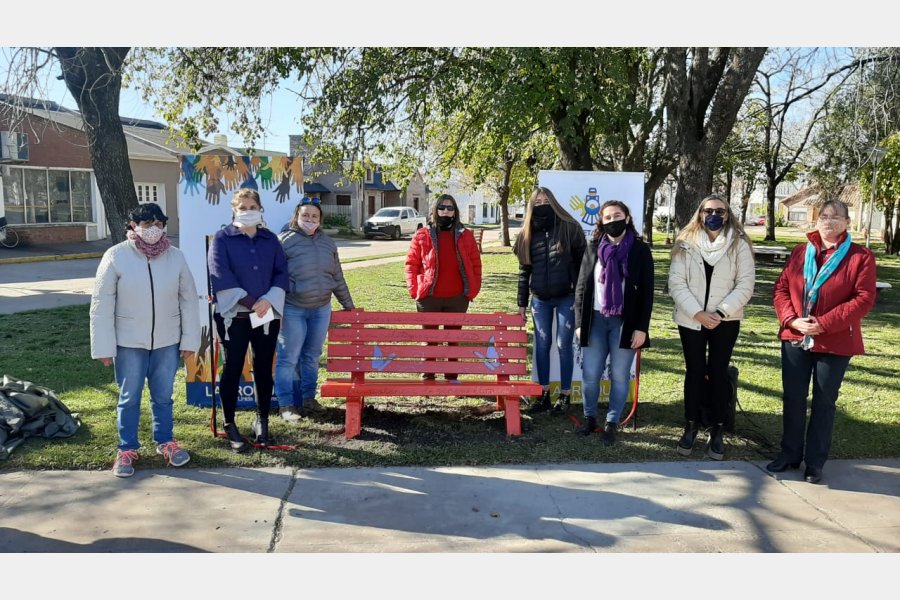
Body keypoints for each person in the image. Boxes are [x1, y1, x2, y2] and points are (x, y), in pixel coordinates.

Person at [768, 200, 876, 484]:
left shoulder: (860, 256)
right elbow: (780, 289)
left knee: (824, 402)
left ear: (847, 223)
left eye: (836, 217)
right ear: (816, 221)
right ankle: (789, 454)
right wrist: (792, 320)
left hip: (835, 341)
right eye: (824, 216)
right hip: (795, 335)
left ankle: (814, 463)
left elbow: (863, 299)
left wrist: (823, 324)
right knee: (793, 398)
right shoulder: (801, 251)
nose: (829, 221)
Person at [90, 203, 200, 478]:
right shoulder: (115, 256)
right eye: (146, 224)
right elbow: (101, 304)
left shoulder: (176, 257)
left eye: (158, 224)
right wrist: (103, 346)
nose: (153, 229)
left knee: (163, 396)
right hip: (129, 342)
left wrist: (189, 340)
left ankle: (166, 442)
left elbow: (189, 300)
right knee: (129, 397)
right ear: (133, 226)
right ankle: (126, 449)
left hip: (167, 340)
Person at [668, 194, 755, 461]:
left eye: (720, 210)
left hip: (724, 321)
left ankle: (717, 428)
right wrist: (697, 313)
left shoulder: (739, 243)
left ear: (728, 214)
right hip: (691, 319)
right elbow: (676, 283)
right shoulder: (685, 242)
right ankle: (691, 424)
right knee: (694, 371)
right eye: (708, 210)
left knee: (718, 372)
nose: (713, 215)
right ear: (700, 213)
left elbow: (746, 284)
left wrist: (718, 313)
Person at [208, 189, 289, 452]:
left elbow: (282, 273)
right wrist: (252, 302)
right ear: (233, 209)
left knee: (264, 368)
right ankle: (229, 423)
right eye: (242, 207)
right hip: (235, 316)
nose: (247, 210)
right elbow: (220, 275)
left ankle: (262, 420)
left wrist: (267, 300)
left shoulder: (270, 239)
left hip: (265, 313)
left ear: (260, 208)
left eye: (252, 206)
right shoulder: (222, 239)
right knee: (232, 368)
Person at [574, 200, 654, 444]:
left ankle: (611, 422)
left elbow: (647, 292)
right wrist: (579, 323)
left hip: (625, 322)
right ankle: (589, 418)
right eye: (607, 217)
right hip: (595, 320)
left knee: (619, 375)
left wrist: (641, 327)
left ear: (627, 218)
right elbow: (580, 288)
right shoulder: (593, 248)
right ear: (601, 221)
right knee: (590, 374)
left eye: (617, 215)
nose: (612, 221)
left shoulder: (640, 250)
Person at [275, 196, 355, 421]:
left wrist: (349, 306)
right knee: (288, 358)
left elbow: (337, 277)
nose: (310, 219)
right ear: (297, 216)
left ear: (320, 219)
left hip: (321, 310)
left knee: (311, 356)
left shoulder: (328, 243)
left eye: (314, 216)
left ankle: (308, 398)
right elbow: (274, 277)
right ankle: (286, 405)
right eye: (305, 215)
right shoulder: (284, 241)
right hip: (293, 309)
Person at [513, 186, 587, 414]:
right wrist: (521, 303)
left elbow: (582, 265)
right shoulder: (527, 233)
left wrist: (579, 296)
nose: (542, 204)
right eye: (537, 202)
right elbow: (524, 271)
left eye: (546, 200)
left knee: (564, 345)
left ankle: (565, 395)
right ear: (531, 207)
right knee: (542, 345)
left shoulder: (569, 227)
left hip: (566, 297)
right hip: (540, 300)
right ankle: (542, 393)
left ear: (553, 202)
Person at [405, 194, 483, 381]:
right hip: (429, 297)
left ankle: (451, 377)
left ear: (455, 212)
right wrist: (415, 289)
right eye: (442, 207)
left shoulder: (466, 235)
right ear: (435, 210)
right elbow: (411, 264)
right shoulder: (422, 234)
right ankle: (428, 376)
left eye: (450, 208)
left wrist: (472, 290)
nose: (445, 211)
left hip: (457, 298)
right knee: (430, 339)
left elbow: (476, 264)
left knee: (453, 340)